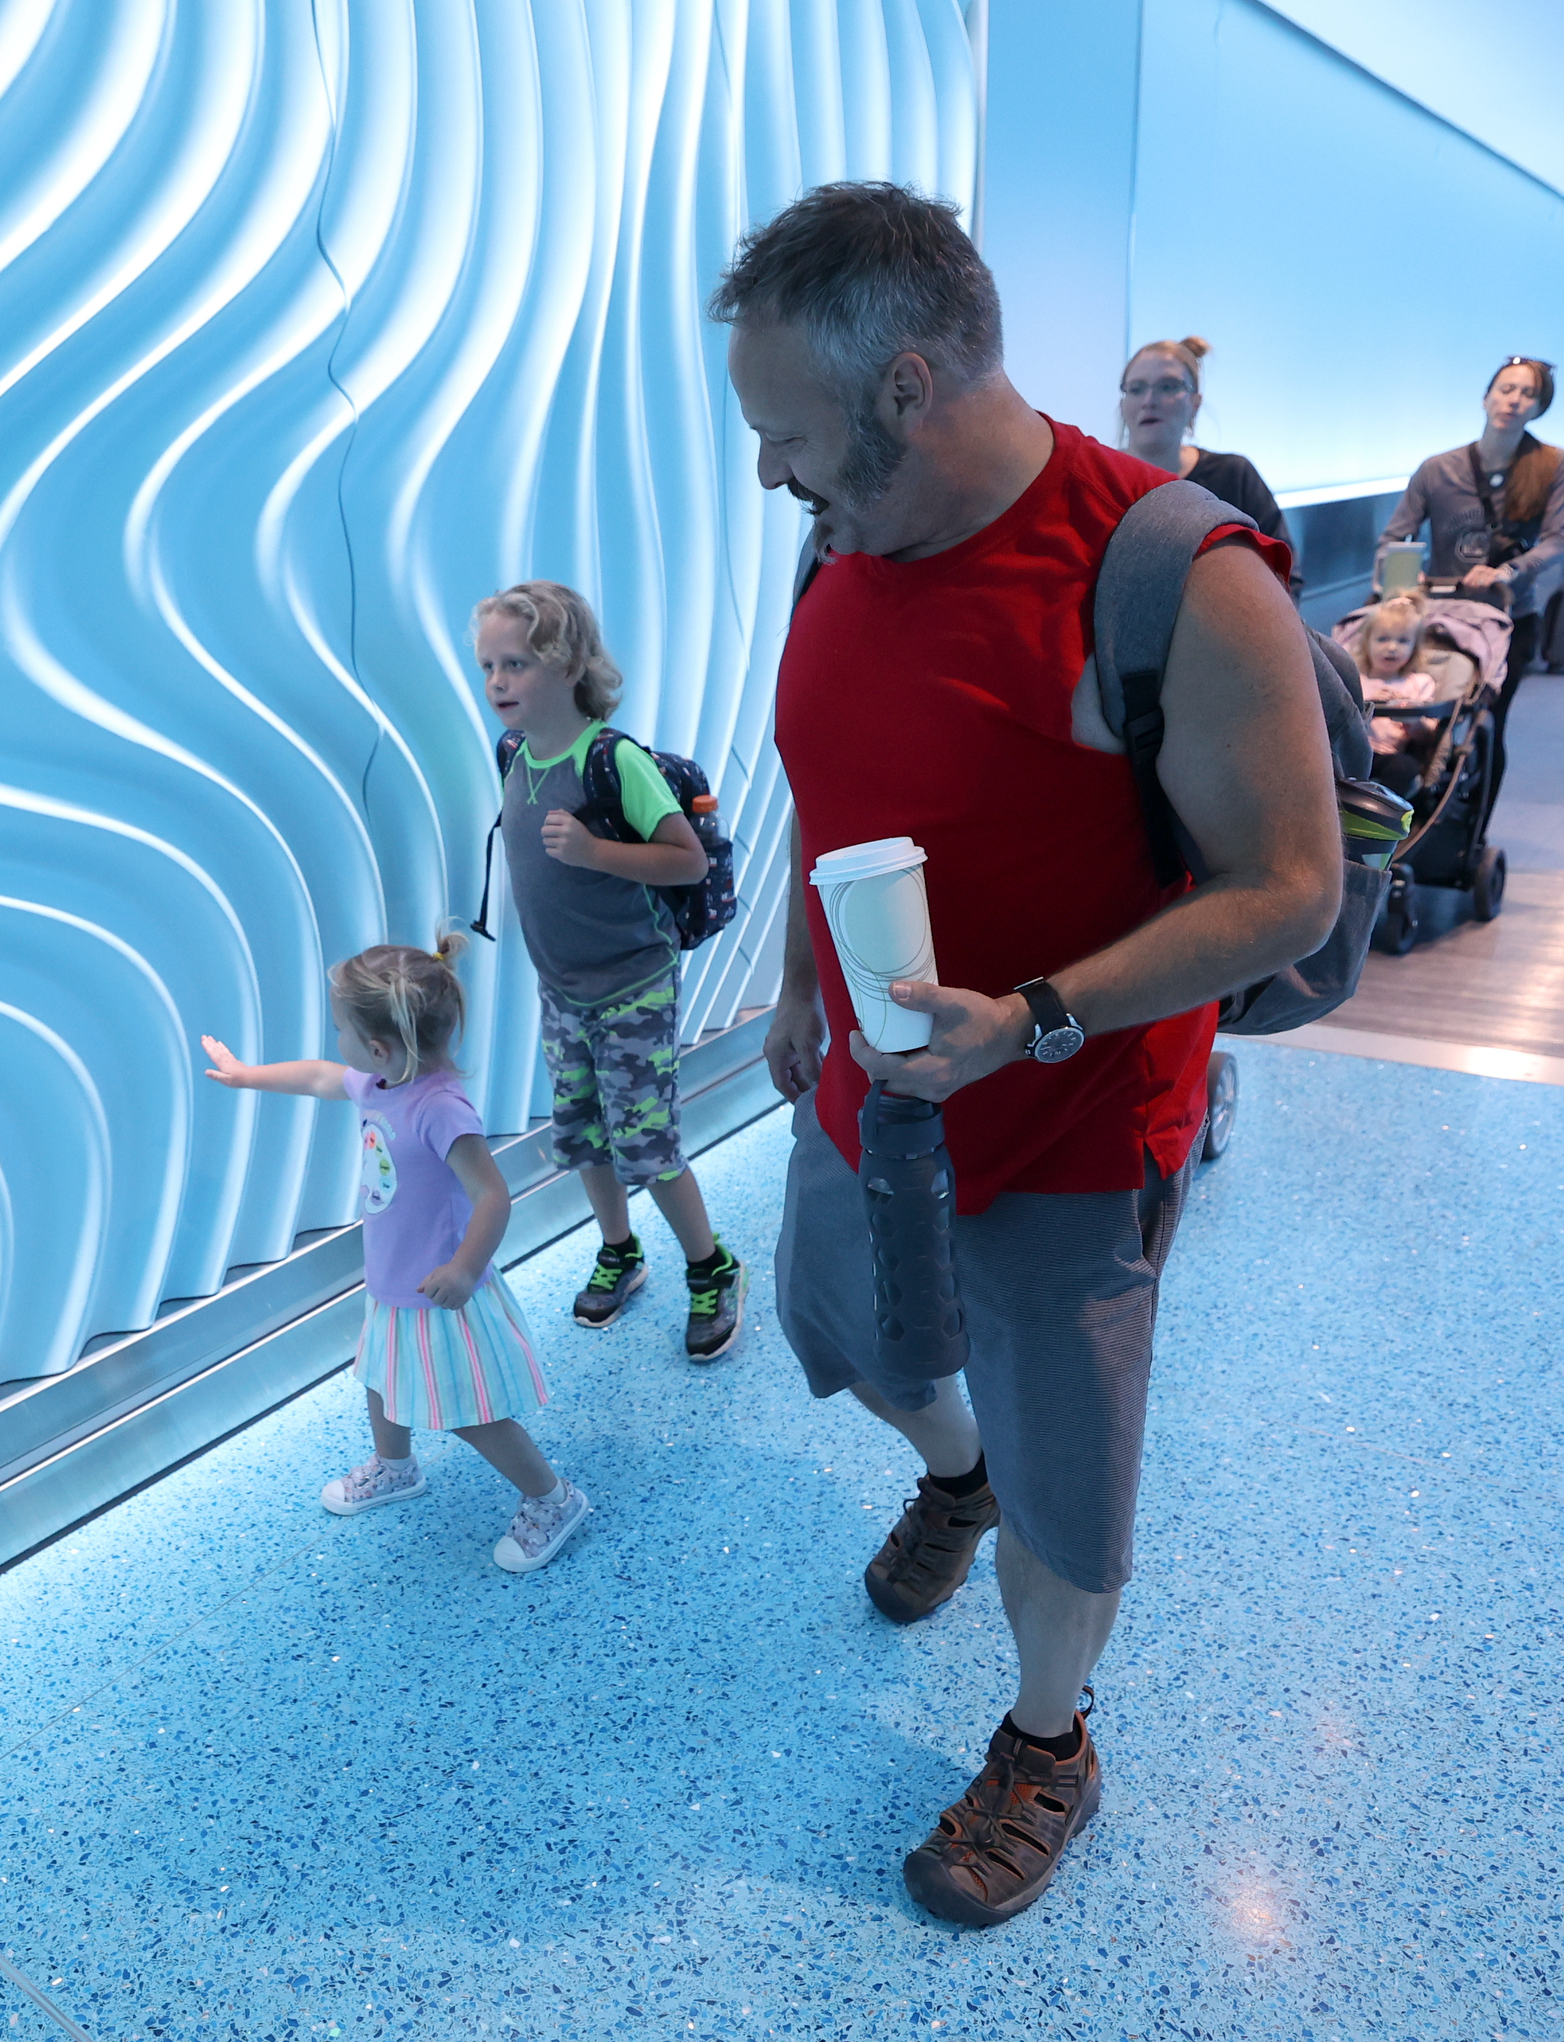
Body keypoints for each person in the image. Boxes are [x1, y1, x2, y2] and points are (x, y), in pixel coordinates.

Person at [713, 183, 1340, 1927]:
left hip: (1071, 1125)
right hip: (873, 1088)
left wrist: (1033, 1019)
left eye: (787, 434)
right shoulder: (845, 539)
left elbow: (1289, 890)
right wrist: (795, 982)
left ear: (906, 388)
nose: (770, 473)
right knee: (840, 1328)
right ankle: (953, 1470)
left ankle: (1049, 1738)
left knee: (1070, 1486)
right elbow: (833, 786)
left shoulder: (1174, 577)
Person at [199, 939, 592, 1573]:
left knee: (469, 1413)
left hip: (441, 1293)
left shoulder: (439, 1109)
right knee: (381, 1377)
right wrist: (248, 1075)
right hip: (393, 1280)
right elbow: (320, 1077)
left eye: (341, 1031)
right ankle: (396, 1466)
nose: (337, 1044)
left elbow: (492, 1195)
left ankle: (553, 1499)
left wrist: (464, 1269)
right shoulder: (380, 1082)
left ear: (379, 1047)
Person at [476, 582, 746, 1360]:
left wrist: (596, 852)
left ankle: (710, 1265)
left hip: (632, 986)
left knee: (647, 1143)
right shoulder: (514, 752)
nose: (497, 682)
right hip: (562, 989)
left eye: (516, 664)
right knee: (583, 1135)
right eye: (489, 666)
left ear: (567, 666)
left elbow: (685, 860)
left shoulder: (612, 759)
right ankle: (620, 1249)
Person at [1381, 357, 1560, 633]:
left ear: (1539, 408)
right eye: (1506, 389)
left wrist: (1508, 571)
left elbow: (1557, 540)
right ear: (1485, 399)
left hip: (1511, 613)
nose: (1514, 401)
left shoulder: (1552, 466)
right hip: (1442, 613)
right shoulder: (1437, 469)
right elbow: (1394, 538)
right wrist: (1405, 576)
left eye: (1528, 394)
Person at [1115, 337, 1294, 583]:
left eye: (1168, 386)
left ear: (1195, 403)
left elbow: (1285, 575)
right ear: (1123, 404)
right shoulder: (1100, 479)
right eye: (1136, 389)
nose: (1149, 401)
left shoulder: (1234, 475)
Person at [1349, 591, 1443, 792]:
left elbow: (1427, 737)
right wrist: (1369, 704)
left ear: (1414, 648)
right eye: (1382, 639)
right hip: (1352, 752)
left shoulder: (1419, 683)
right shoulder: (1355, 679)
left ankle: (1385, 805)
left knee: (1405, 767)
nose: (1392, 647)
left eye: (1403, 641)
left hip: (1390, 755)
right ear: (1366, 643)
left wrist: (1411, 718)